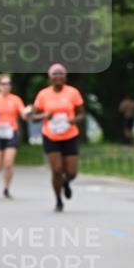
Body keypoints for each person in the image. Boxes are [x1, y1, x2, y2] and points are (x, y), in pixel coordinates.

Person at [29, 64, 85, 212]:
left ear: (65, 76)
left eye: (61, 74)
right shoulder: (43, 95)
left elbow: (81, 114)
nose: (58, 76)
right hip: (51, 135)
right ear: (50, 77)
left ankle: (66, 183)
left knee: (72, 172)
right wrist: (44, 115)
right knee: (57, 169)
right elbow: (32, 117)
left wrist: (73, 120)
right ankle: (58, 200)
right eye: (55, 74)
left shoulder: (73, 93)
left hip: (70, 134)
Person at [0, 74, 31, 198]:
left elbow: (23, 113)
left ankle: (6, 188)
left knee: (8, 163)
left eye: (9, 83)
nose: (7, 86)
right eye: (4, 84)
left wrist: (28, 111)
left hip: (11, 133)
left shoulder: (16, 99)